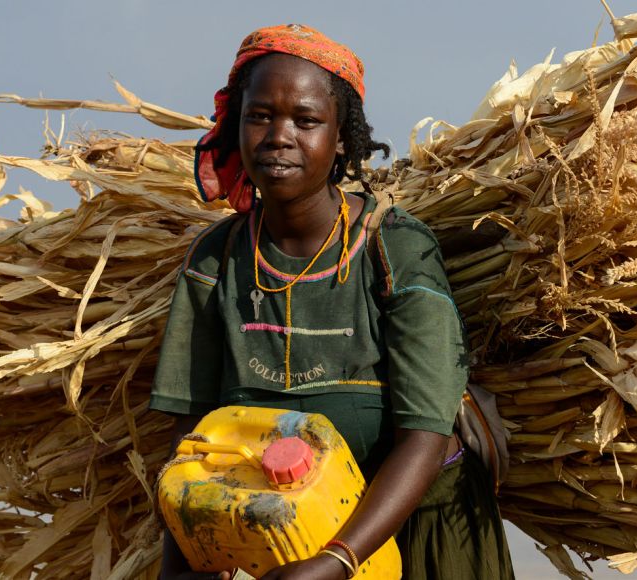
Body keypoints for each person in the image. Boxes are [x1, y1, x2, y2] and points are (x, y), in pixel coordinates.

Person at [151, 24, 514, 580]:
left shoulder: (394, 249)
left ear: (342, 137)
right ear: (235, 125)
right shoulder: (215, 261)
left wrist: (336, 560)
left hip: (414, 536)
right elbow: (193, 441)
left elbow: (426, 433)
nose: (278, 135)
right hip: (269, 543)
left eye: (305, 119)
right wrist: (183, 563)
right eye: (259, 116)